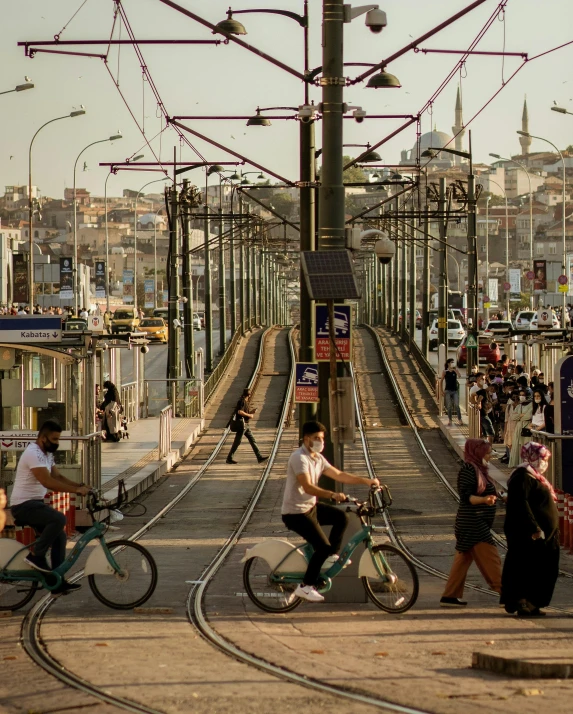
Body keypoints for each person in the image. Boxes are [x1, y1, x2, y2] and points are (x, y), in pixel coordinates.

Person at [281, 421, 380, 602]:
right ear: (306, 439)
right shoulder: (299, 458)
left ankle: (331, 556)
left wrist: (366, 481)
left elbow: (339, 475)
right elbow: (308, 487)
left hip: (309, 508)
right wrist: (332, 494)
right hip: (295, 513)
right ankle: (306, 586)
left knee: (341, 517)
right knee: (322, 547)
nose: (320, 442)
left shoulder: (317, 458)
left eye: (322, 438)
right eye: (316, 438)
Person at [9, 421, 90, 593]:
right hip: (23, 505)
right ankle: (36, 556)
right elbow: (47, 481)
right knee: (59, 518)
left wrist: (81, 486)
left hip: (35, 504)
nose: (57, 443)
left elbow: (58, 476)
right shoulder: (33, 453)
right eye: (54, 439)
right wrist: (76, 490)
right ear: (43, 438)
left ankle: (57, 579)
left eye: (58, 439)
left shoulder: (46, 454)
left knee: (59, 535)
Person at [440, 439, 502, 607]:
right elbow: (466, 496)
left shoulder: (481, 469)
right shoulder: (469, 469)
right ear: (477, 453)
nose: (489, 456)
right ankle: (506, 593)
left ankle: (449, 596)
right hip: (473, 523)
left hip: (473, 522)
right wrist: (484, 500)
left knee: (463, 559)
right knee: (491, 558)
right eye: (487, 452)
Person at [501, 442, 559, 617]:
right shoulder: (522, 476)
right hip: (530, 535)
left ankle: (530, 602)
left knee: (540, 568)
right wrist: (534, 527)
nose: (545, 463)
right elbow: (521, 504)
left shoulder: (533, 475)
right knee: (529, 568)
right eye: (543, 459)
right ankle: (524, 603)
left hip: (543, 535)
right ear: (533, 458)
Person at [226, 388, 268, 465]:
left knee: (252, 440)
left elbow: (243, 412)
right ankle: (229, 458)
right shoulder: (242, 401)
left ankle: (259, 457)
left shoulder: (245, 402)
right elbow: (240, 412)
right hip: (242, 425)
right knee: (237, 442)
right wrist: (250, 415)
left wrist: (252, 412)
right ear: (248, 395)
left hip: (246, 425)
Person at [508, 389, 533, 467]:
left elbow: (528, 416)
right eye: (520, 395)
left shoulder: (532, 405)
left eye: (523, 395)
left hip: (527, 427)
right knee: (517, 445)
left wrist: (519, 416)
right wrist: (521, 415)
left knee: (526, 445)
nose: (521, 397)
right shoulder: (519, 405)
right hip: (518, 427)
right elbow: (512, 416)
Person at [441, 359, 463, 427]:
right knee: (449, 406)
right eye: (451, 362)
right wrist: (441, 390)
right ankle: (450, 420)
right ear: (448, 364)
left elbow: (459, 376)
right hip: (447, 390)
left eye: (453, 362)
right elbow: (441, 380)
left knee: (456, 405)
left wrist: (456, 371)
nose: (452, 363)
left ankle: (460, 419)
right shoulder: (445, 371)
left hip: (454, 390)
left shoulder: (455, 371)